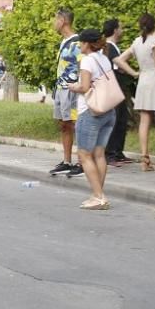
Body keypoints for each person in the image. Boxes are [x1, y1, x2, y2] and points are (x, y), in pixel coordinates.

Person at [114, 13, 155, 172]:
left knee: (144, 120)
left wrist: (134, 73)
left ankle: (144, 159)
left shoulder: (136, 42)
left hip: (143, 80)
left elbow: (119, 59)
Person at [67, 29, 116, 210]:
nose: (79, 45)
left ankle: (99, 196)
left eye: (80, 42)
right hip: (108, 110)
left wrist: (74, 87)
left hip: (90, 111)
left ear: (87, 44)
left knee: (84, 155)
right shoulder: (104, 58)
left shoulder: (87, 60)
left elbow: (85, 87)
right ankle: (97, 194)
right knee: (99, 154)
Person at [50, 8, 83, 177]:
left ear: (63, 20)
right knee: (64, 124)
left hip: (71, 89)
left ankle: (81, 162)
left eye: (56, 19)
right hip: (61, 88)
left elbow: (82, 66)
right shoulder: (64, 42)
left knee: (75, 123)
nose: (54, 23)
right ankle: (67, 161)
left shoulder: (76, 43)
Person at [103, 19, 133, 166]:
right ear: (115, 30)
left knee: (122, 119)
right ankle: (110, 154)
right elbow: (119, 62)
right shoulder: (110, 46)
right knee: (115, 120)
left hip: (117, 86)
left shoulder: (111, 46)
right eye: (120, 28)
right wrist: (134, 73)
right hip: (113, 87)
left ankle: (118, 152)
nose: (122, 30)